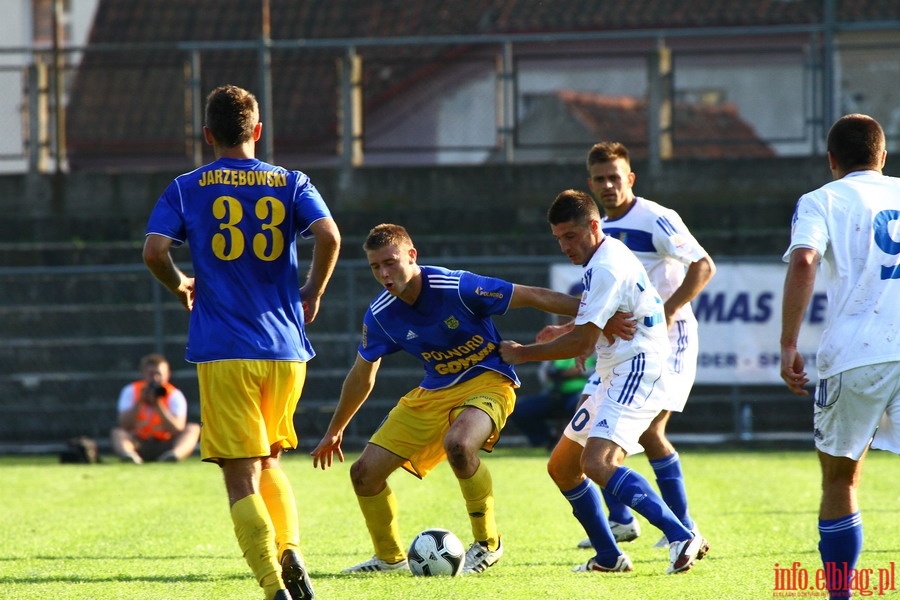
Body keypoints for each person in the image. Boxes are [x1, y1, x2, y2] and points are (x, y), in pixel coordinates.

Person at [143, 85, 340, 600]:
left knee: (239, 476)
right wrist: (312, 293)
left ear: (208, 135)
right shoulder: (291, 181)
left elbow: (154, 250)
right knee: (271, 459)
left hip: (225, 347)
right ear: (257, 131)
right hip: (286, 349)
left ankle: (274, 585)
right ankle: (290, 545)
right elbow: (330, 236)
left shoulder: (187, 187)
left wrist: (180, 282)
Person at [310, 223, 579, 575]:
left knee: (459, 444)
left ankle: (488, 544)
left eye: (390, 262)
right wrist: (335, 429)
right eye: (376, 267)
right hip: (434, 391)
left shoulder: (457, 286)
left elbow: (530, 294)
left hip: (489, 381)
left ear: (412, 255)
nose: (384, 273)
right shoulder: (380, 315)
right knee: (363, 474)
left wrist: (594, 312)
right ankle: (389, 559)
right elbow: (363, 374)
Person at [500, 190, 709, 574]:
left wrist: (522, 353)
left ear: (594, 226)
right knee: (562, 467)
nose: (565, 246)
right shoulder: (602, 257)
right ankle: (610, 557)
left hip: (636, 369)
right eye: (558, 238)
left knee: (598, 463)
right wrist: (577, 330)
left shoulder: (606, 265)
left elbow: (582, 339)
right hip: (612, 370)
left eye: (571, 236)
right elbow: (595, 319)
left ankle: (682, 534)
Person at [780, 114, 900, 600]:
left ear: (832, 161)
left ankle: (840, 595)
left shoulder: (820, 200)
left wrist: (789, 343)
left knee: (840, 475)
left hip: (856, 354)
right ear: (883, 155)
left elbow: (806, 259)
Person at [576, 141, 716, 549]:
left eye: (615, 177)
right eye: (599, 179)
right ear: (590, 183)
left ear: (630, 178)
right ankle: (622, 520)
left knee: (651, 429)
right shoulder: (599, 228)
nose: (608, 185)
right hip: (625, 343)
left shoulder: (657, 218)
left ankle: (682, 525)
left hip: (669, 336)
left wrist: (670, 309)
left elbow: (703, 265)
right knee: (594, 420)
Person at [509, 283, 596, 449]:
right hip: (555, 392)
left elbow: (602, 369)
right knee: (520, 410)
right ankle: (548, 442)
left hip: (582, 392)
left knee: (581, 406)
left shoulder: (596, 334)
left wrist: (579, 373)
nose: (574, 315)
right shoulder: (556, 333)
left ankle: (575, 446)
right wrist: (552, 375)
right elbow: (543, 371)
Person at [110, 353, 200, 464]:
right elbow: (124, 424)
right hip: (139, 443)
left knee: (193, 429)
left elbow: (177, 428)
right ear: (143, 374)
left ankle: (173, 456)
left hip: (166, 444)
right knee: (117, 433)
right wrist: (140, 401)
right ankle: (130, 456)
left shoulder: (174, 395)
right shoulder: (131, 391)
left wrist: (158, 404)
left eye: (159, 374)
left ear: (167, 375)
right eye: (151, 374)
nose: (155, 379)